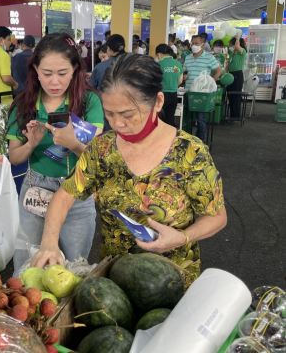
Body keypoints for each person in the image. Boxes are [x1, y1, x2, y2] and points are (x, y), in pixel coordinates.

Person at [31, 54, 227, 289]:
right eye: (109, 114)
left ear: (158, 102)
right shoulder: (101, 150)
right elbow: (64, 195)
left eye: (127, 115)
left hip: (174, 283)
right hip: (116, 283)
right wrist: (49, 242)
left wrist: (183, 237)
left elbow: (216, 216)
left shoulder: (189, 152)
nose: (117, 124)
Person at [7, 33, 104, 271]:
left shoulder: (88, 102)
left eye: (62, 73)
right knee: (28, 264)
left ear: (75, 70)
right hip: (36, 190)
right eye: (47, 73)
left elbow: (98, 160)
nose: (54, 82)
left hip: (78, 192)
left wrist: (73, 143)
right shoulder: (24, 105)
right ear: (35, 71)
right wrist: (30, 144)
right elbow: (14, 157)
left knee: (73, 266)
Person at [184, 35, 221, 142]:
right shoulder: (188, 57)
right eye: (192, 43)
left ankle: (201, 144)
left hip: (202, 94)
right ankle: (188, 142)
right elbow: (184, 71)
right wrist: (184, 75)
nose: (194, 46)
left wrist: (211, 82)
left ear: (203, 45)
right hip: (189, 92)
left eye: (196, 43)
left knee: (201, 120)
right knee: (188, 119)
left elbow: (219, 70)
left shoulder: (209, 57)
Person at [156, 44, 183, 128]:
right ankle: (170, 138)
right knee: (170, 119)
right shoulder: (178, 64)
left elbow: (155, 81)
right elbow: (180, 81)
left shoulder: (158, 64)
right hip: (174, 95)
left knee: (160, 119)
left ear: (159, 54)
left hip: (161, 95)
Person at [227, 35, 247, 120]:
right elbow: (228, 64)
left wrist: (237, 38)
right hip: (230, 74)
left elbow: (237, 47)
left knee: (236, 96)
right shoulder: (231, 53)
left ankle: (236, 116)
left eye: (231, 44)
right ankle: (232, 115)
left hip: (238, 75)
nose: (230, 46)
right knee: (230, 96)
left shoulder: (242, 52)